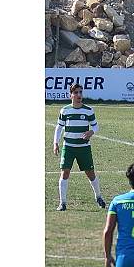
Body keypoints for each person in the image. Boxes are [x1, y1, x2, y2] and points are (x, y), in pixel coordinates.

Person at [53, 83, 105, 211]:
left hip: (84, 148)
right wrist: (55, 143)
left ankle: (98, 196)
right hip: (69, 147)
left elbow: (95, 126)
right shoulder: (65, 110)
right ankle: (63, 203)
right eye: (76, 92)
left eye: (80, 92)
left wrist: (91, 132)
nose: (79, 95)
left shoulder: (88, 110)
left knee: (90, 173)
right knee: (65, 173)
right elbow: (59, 127)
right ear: (70, 95)